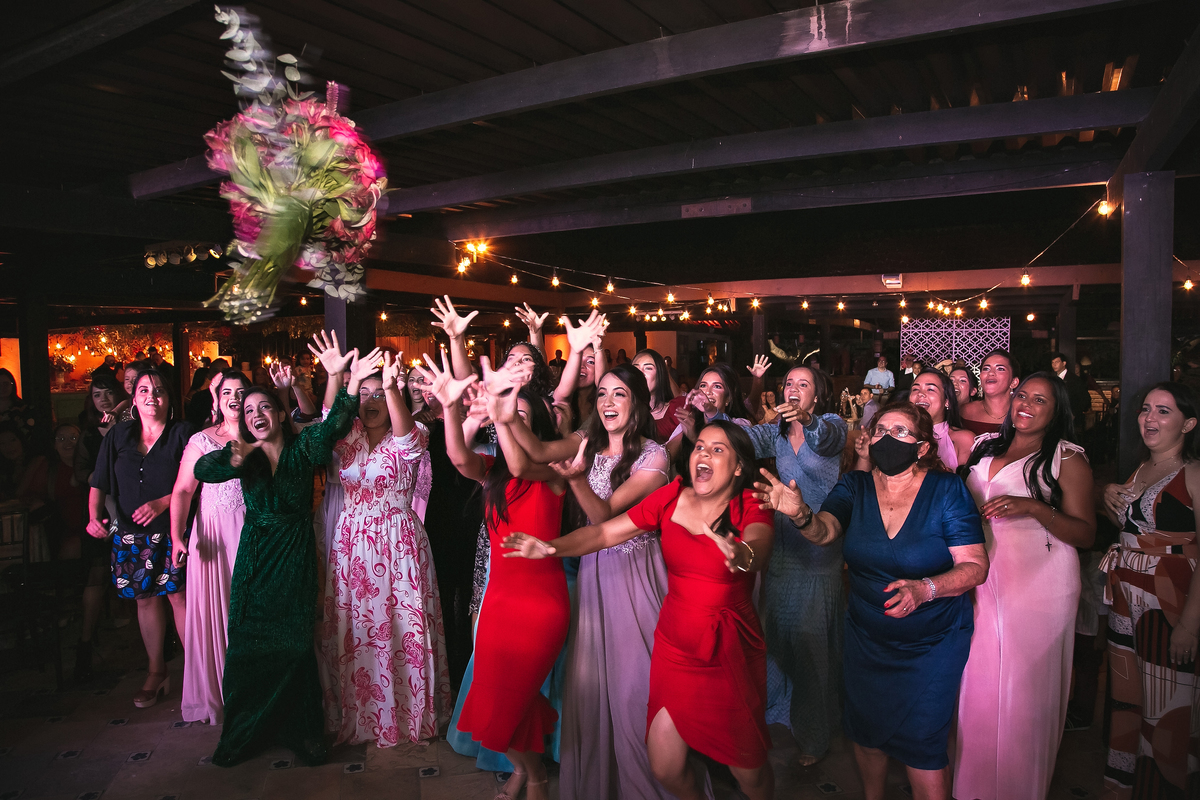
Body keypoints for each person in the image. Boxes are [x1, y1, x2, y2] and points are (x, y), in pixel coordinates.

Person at [505, 420, 776, 800]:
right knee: (665, 766)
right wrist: (551, 547)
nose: (703, 454)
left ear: (738, 467)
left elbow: (759, 547)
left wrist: (741, 554)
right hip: (675, 647)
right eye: (700, 447)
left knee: (750, 772)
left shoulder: (750, 504)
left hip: (726, 651)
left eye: (718, 450)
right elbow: (603, 532)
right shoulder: (670, 496)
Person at [754, 403, 988, 799]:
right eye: (880, 430)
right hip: (866, 637)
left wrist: (924, 589)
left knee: (923, 744)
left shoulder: (946, 490)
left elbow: (975, 566)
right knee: (865, 733)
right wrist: (800, 515)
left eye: (900, 432)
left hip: (930, 644)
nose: (886, 438)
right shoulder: (854, 486)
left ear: (922, 448)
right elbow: (826, 531)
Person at [191, 331, 363, 767]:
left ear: (281, 413)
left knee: (294, 647)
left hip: (294, 553)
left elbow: (336, 424)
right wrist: (231, 456)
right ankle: (244, 733)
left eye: (264, 406)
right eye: (248, 410)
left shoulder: (304, 448)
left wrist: (346, 380)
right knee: (248, 648)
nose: (256, 414)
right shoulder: (242, 456)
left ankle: (301, 732)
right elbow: (202, 470)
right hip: (254, 561)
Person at [506, 364, 674, 800]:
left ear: (637, 401)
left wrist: (577, 479)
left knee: (634, 688)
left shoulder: (654, 457)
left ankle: (648, 787)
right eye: (601, 394)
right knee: (595, 690)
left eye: (619, 394)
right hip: (594, 573)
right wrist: (503, 412)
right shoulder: (587, 442)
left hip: (635, 575)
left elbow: (605, 518)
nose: (607, 403)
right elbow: (535, 453)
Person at [427, 353, 569, 800]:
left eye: (521, 416)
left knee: (512, 703)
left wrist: (503, 411)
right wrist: (451, 406)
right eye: (508, 414)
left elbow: (524, 463)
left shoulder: (554, 472)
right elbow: (456, 454)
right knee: (497, 703)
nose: (510, 420)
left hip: (542, 604)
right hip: (498, 602)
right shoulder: (492, 476)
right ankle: (532, 774)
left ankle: (532, 776)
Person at [954, 373, 1096, 800]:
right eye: (1021, 396)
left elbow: (1086, 533)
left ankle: (1019, 789)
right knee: (976, 680)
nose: (1026, 405)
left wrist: (1034, 507)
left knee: (1024, 690)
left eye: (1040, 400)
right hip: (982, 570)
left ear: (1056, 413)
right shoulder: (986, 446)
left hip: (1041, 579)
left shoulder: (1067, 459)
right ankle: (973, 786)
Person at [320, 348, 451, 748]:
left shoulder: (413, 436)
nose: (372, 401)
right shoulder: (347, 437)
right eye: (366, 394)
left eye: (380, 394)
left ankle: (409, 714)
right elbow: (324, 425)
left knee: (400, 627)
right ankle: (360, 715)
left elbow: (408, 440)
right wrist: (337, 378)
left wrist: (392, 387)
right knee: (356, 630)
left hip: (399, 543)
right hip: (351, 544)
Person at [1099, 382, 1200, 799]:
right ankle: (1124, 789)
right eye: (1145, 409)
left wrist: (1189, 628)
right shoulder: (1141, 469)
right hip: (1128, 590)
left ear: (1189, 423)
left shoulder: (1193, 473)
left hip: (1170, 598)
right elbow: (1133, 530)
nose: (1150, 418)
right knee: (1129, 700)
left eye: (1163, 411)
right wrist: (1107, 491)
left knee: (1168, 704)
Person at [746, 365, 847, 766]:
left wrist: (808, 419)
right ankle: (783, 713)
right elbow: (741, 442)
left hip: (819, 547)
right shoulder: (776, 430)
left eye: (803, 385)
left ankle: (814, 735)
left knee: (813, 648)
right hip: (783, 549)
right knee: (779, 638)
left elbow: (828, 437)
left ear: (817, 396)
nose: (793, 389)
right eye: (789, 382)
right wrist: (705, 420)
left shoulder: (831, 424)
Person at [86, 368, 191, 708]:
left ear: (169, 399)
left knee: (179, 597)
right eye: (144, 389)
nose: (152, 396)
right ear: (134, 399)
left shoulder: (183, 434)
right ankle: (156, 671)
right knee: (144, 599)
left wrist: (163, 502)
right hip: (131, 535)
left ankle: (195, 669)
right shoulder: (118, 436)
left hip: (173, 531)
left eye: (159, 390)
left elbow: (195, 482)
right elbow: (99, 481)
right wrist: (93, 517)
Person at [168, 369, 250, 724]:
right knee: (220, 613)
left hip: (253, 534)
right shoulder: (201, 440)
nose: (234, 396)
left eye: (241, 390)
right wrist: (176, 536)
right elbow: (184, 491)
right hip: (214, 536)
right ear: (217, 399)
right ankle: (222, 693)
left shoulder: (262, 434)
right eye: (227, 391)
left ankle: (255, 693)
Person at [908, 370, 974, 470]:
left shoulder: (964, 440)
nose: (920, 394)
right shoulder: (895, 434)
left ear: (947, 401)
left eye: (930, 389)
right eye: (915, 389)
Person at [631, 349, 687, 444]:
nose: (640, 373)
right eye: (635, 368)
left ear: (660, 374)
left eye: (648, 368)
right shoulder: (622, 411)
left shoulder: (676, 409)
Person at [961, 350, 1020, 436]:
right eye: (986, 369)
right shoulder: (964, 411)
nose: (991, 373)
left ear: (1014, 382)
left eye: (1000, 369)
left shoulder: (1022, 413)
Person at [1050, 352, 1091, 431]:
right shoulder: (1052, 378)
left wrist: (1074, 413)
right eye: (1052, 362)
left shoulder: (1074, 380)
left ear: (1064, 363)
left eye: (1057, 362)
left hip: (1071, 419)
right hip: (1055, 417)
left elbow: (1085, 399)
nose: (1054, 364)